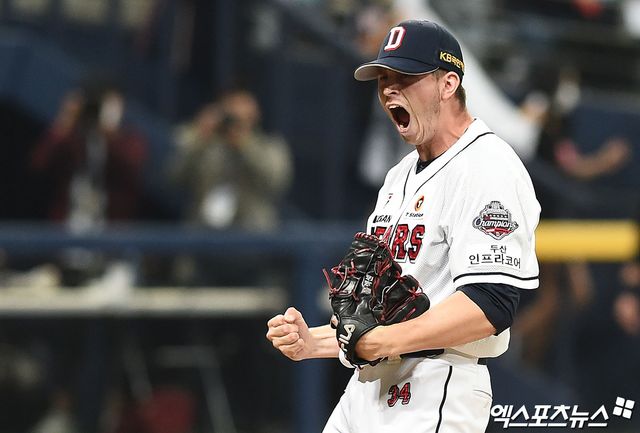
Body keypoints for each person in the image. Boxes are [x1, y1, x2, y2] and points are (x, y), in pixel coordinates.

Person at [267, 20, 540, 432]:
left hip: (435, 385)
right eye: (384, 79)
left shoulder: (487, 167)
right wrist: (315, 342)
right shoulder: (399, 176)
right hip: (367, 387)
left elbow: (491, 304)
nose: (389, 90)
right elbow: (380, 314)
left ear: (449, 84)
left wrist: (380, 343)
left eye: (406, 77)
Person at [171, 88, 292, 231]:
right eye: (231, 109)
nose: (235, 119)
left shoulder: (269, 146)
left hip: (253, 235)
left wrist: (244, 144)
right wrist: (200, 137)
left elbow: (276, 181)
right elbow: (174, 177)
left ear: (255, 114)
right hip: (204, 233)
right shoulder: (202, 142)